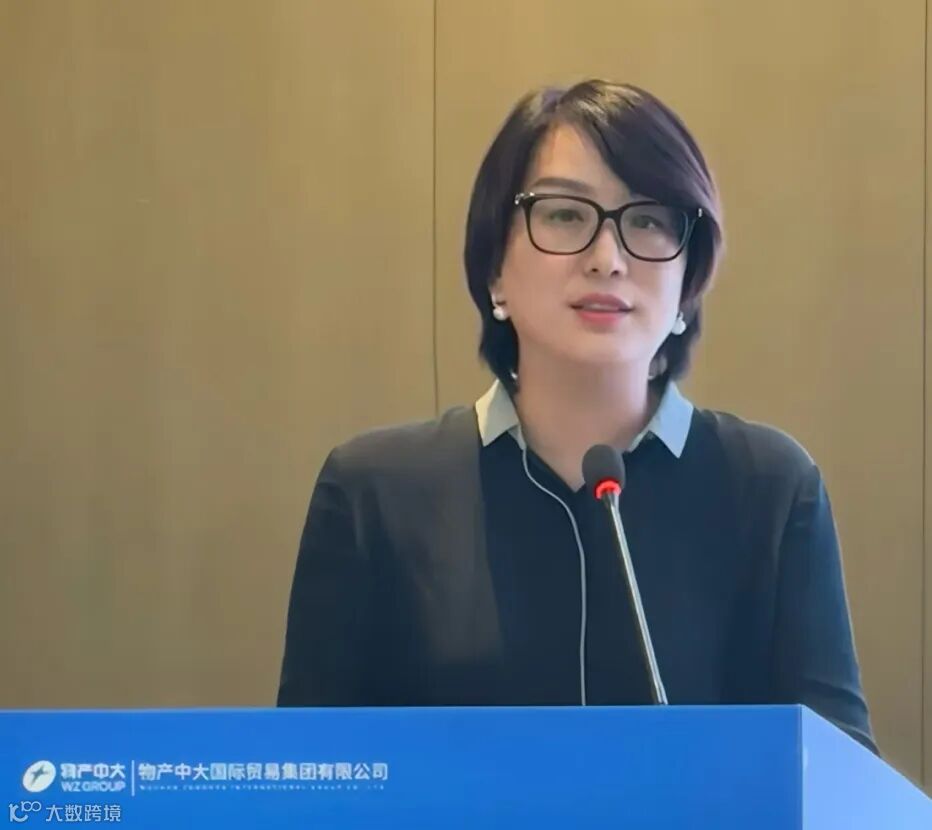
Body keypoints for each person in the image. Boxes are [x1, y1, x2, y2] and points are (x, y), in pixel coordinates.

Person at [276, 79, 876, 752]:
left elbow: (840, 775)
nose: (607, 259)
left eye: (648, 220)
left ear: (688, 282)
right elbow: (310, 773)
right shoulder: (375, 492)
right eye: (565, 214)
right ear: (494, 269)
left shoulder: (769, 487)